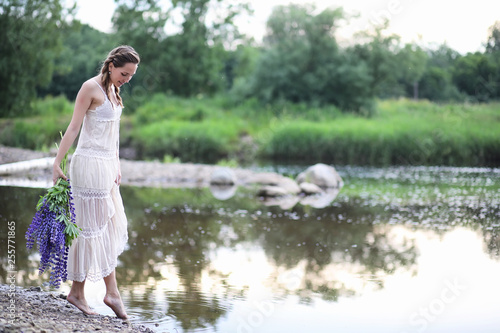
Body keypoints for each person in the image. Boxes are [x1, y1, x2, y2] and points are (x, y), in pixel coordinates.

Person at [52, 45, 140, 319]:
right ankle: (96, 293)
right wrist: (57, 161)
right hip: (88, 165)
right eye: (124, 73)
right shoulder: (90, 88)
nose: (127, 79)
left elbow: (114, 135)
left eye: (131, 75)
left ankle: (91, 292)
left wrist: (117, 165)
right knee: (92, 228)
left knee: (107, 226)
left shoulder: (115, 91)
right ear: (112, 65)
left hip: (106, 168)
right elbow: (74, 127)